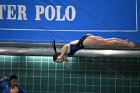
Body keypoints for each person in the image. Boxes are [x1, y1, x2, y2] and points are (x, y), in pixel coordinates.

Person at [52, 34, 135, 63]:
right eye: (59, 62)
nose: (60, 61)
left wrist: (61, 55)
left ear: (59, 55)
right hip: (86, 39)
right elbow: (66, 61)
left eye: (58, 60)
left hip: (86, 42)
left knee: (108, 43)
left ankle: (126, 44)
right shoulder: (67, 55)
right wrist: (64, 58)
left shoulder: (64, 50)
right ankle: (125, 41)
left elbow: (66, 46)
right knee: (108, 40)